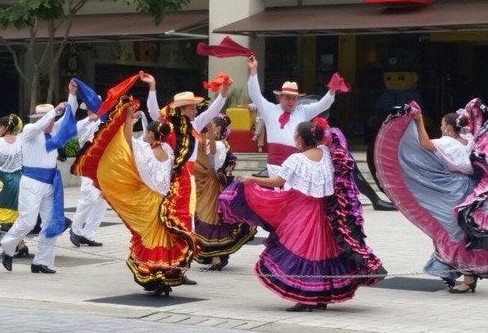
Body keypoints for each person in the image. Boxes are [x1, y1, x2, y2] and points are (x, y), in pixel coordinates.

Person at [220, 120, 386, 311]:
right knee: (324, 252)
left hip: (302, 211)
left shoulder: (296, 160)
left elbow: (277, 180)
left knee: (302, 251)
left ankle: (305, 298)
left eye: (295, 134)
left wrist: (252, 179)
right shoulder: (326, 153)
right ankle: (321, 297)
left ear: (299, 138)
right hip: (326, 211)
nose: (293, 137)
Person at [72, 96, 197, 296]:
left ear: (152, 135)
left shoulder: (146, 152)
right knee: (163, 240)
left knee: (149, 238)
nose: (144, 134)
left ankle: (155, 277)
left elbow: (128, 141)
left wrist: (128, 117)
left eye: (146, 132)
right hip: (165, 202)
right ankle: (164, 278)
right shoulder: (168, 150)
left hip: (148, 201)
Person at [374, 102, 488, 293]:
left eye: (443, 124)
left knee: (451, 232)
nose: (441, 127)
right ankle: (460, 273)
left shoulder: (447, 143)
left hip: (450, 190)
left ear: (450, 127)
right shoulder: (468, 139)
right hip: (467, 187)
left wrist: (418, 122)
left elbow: (425, 144)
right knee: (460, 232)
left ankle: (461, 275)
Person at [142, 71, 231, 285]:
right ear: (181, 109)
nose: (194, 110)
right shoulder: (169, 126)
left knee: (187, 223)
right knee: (173, 222)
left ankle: (181, 267)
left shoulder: (195, 125)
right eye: (190, 107)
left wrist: (224, 94)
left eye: (194, 107)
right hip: (173, 179)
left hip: (188, 179)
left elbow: (213, 111)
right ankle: (167, 265)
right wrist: (152, 88)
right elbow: (154, 113)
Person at [0, 80, 78, 274]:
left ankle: (41, 262)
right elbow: (42, 124)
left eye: (52, 121)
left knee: (51, 223)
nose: (52, 125)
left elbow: (69, 116)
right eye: (49, 121)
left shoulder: (53, 132)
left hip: (50, 182)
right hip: (32, 181)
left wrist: (72, 95)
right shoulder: (29, 131)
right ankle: (8, 247)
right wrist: (53, 112)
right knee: (27, 221)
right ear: (40, 119)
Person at [246, 56, 336, 174]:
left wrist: (332, 90)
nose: (291, 101)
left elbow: (323, 105)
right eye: (288, 98)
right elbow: (254, 94)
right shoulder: (269, 110)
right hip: (274, 167)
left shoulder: (302, 111)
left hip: (296, 166)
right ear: (280, 97)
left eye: (294, 98)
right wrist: (253, 71)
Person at [193, 115, 256, 270]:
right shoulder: (214, 143)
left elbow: (213, 163)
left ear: (218, 129)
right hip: (207, 186)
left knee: (210, 220)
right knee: (209, 219)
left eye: (211, 125)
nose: (207, 128)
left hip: (212, 187)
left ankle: (216, 258)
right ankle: (215, 256)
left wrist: (209, 138)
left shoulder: (219, 145)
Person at [0, 114, 29, 257]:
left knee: (3, 215)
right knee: (15, 214)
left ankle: (14, 245)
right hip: (20, 179)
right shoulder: (21, 140)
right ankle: (20, 245)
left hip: (3, 181)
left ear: (4, 127)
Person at [69, 106, 106, 248]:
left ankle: (88, 234)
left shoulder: (103, 122)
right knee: (88, 197)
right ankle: (76, 229)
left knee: (102, 201)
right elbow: (76, 130)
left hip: (103, 165)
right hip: (88, 164)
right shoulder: (83, 124)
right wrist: (89, 119)